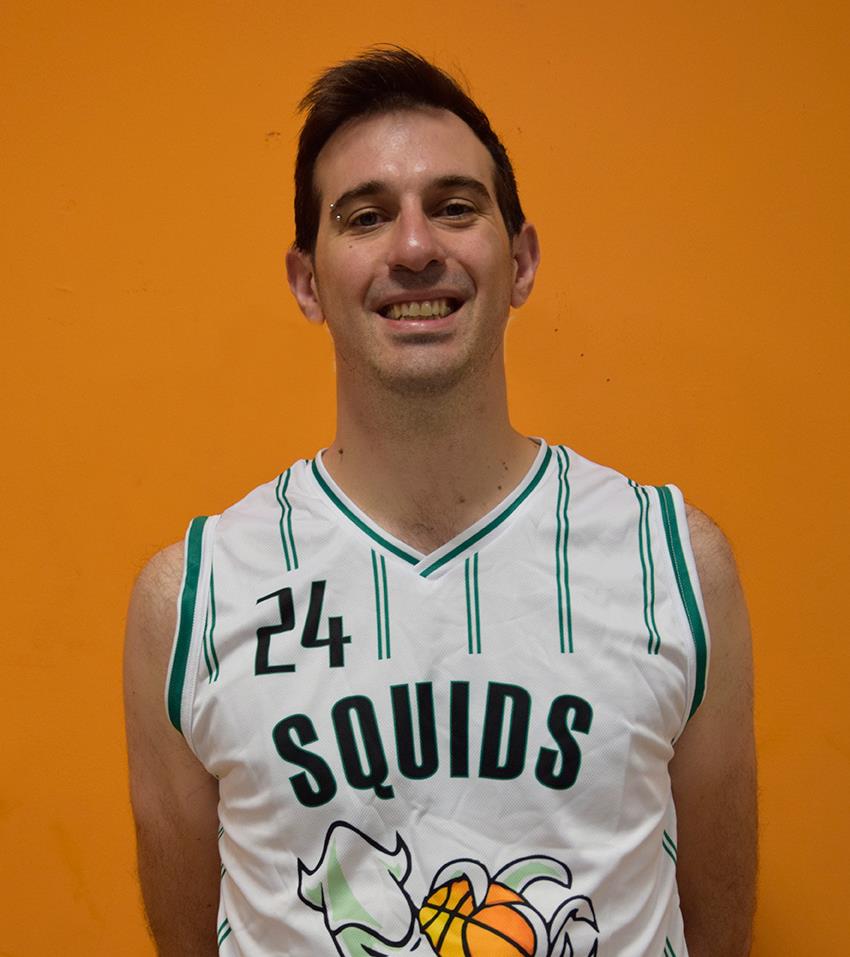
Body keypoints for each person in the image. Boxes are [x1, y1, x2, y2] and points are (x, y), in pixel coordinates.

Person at [124, 47, 757, 956]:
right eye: (367, 216)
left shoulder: (677, 565)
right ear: (307, 280)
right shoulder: (188, 600)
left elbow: (718, 923)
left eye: (455, 207)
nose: (416, 249)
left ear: (521, 260)